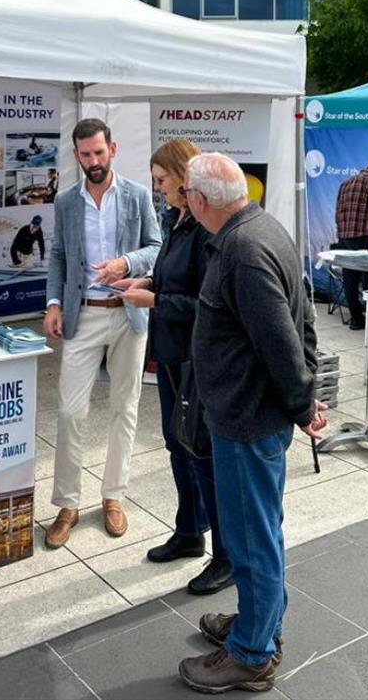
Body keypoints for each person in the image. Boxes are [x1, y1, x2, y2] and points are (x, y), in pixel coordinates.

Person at [176, 153, 326, 695]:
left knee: (251, 539)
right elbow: (302, 316)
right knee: (255, 533)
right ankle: (257, 625)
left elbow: (282, 342)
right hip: (247, 416)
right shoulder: (261, 228)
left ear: (198, 200)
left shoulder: (243, 249)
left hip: (247, 421)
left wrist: (303, 402)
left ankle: (252, 653)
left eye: (183, 196)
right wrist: (304, 394)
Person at [116, 139, 231, 596]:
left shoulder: (206, 227)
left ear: (185, 178)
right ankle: (189, 531)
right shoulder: (177, 220)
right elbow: (173, 274)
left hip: (194, 359)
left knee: (202, 454)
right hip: (170, 355)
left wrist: (156, 299)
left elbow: (208, 301)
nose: (157, 188)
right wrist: (144, 280)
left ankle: (225, 556)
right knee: (176, 445)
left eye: (161, 180)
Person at [43, 118, 162, 547]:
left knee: (124, 408)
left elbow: (157, 247)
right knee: (71, 412)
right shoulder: (66, 202)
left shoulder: (137, 195)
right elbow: (58, 256)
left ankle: (114, 495)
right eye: (85, 154)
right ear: (76, 155)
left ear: (112, 149)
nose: (94, 161)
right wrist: (54, 303)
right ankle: (67, 503)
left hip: (128, 313)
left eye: (99, 152)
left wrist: (127, 264)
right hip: (83, 315)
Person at [334, 160, 368, 330]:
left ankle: (356, 320)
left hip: (344, 238)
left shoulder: (345, 183)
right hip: (361, 236)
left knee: (350, 280)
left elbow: (337, 211)